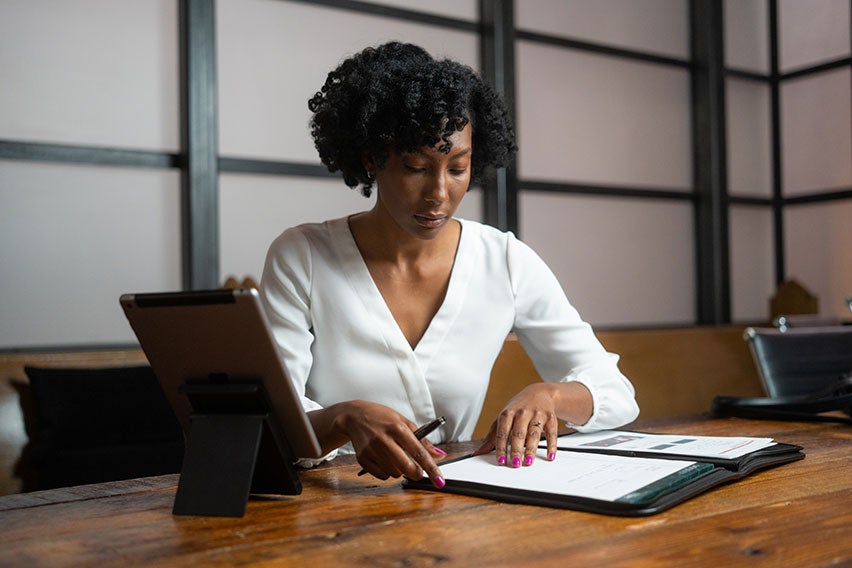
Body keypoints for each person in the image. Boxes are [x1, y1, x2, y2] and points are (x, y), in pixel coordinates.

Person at [260, 41, 639, 489]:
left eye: (457, 168)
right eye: (417, 167)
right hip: (322, 511)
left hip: (454, 509)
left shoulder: (505, 260)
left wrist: (550, 396)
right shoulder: (302, 255)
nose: (439, 193)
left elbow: (616, 393)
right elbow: (270, 417)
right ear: (370, 159)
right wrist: (344, 418)